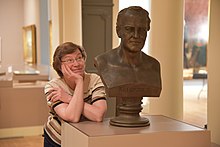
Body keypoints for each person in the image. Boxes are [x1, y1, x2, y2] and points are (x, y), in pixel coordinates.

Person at [43, 42, 107, 146]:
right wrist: (79, 83)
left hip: (83, 137)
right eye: (69, 60)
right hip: (57, 138)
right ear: (59, 66)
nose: (77, 64)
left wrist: (69, 97)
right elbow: (72, 117)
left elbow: (98, 115)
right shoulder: (53, 86)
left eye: (79, 58)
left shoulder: (95, 80)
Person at [94, 6, 162, 98]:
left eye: (142, 30)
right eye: (129, 29)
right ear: (118, 31)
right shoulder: (103, 62)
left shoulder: (154, 65)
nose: (136, 35)